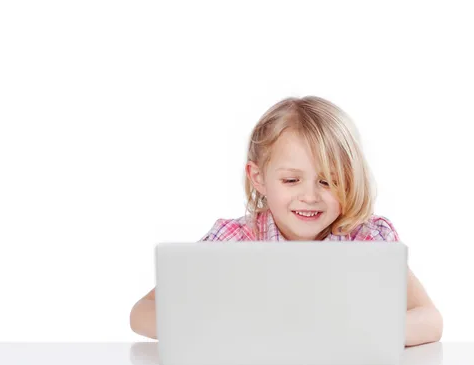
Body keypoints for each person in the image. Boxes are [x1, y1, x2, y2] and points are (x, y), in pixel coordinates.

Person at [130, 96, 443, 347]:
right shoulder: (236, 240)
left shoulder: (367, 238)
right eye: (292, 180)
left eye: (329, 181)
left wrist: (358, 332)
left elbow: (429, 319)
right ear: (259, 178)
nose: (310, 196)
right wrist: (223, 326)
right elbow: (141, 313)